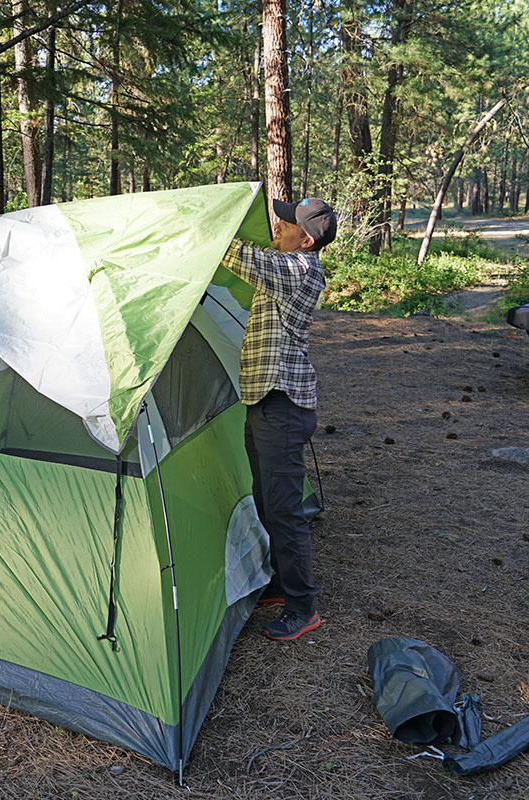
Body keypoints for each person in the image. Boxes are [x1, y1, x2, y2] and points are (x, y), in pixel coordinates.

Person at [219, 197, 336, 642]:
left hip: (283, 405)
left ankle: (303, 606)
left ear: (305, 239)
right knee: (266, 500)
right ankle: (281, 583)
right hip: (265, 401)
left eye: (287, 223)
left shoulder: (299, 270)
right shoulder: (287, 266)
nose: (278, 225)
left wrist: (208, 225)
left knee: (285, 510)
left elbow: (241, 258)